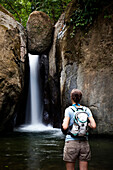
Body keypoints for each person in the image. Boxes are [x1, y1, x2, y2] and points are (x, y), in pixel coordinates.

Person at [62, 89, 96, 170]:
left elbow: (65, 127)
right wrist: (87, 124)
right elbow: (93, 125)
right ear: (80, 98)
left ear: (71, 97)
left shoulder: (69, 110)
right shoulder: (86, 110)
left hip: (71, 142)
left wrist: (64, 122)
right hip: (84, 142)